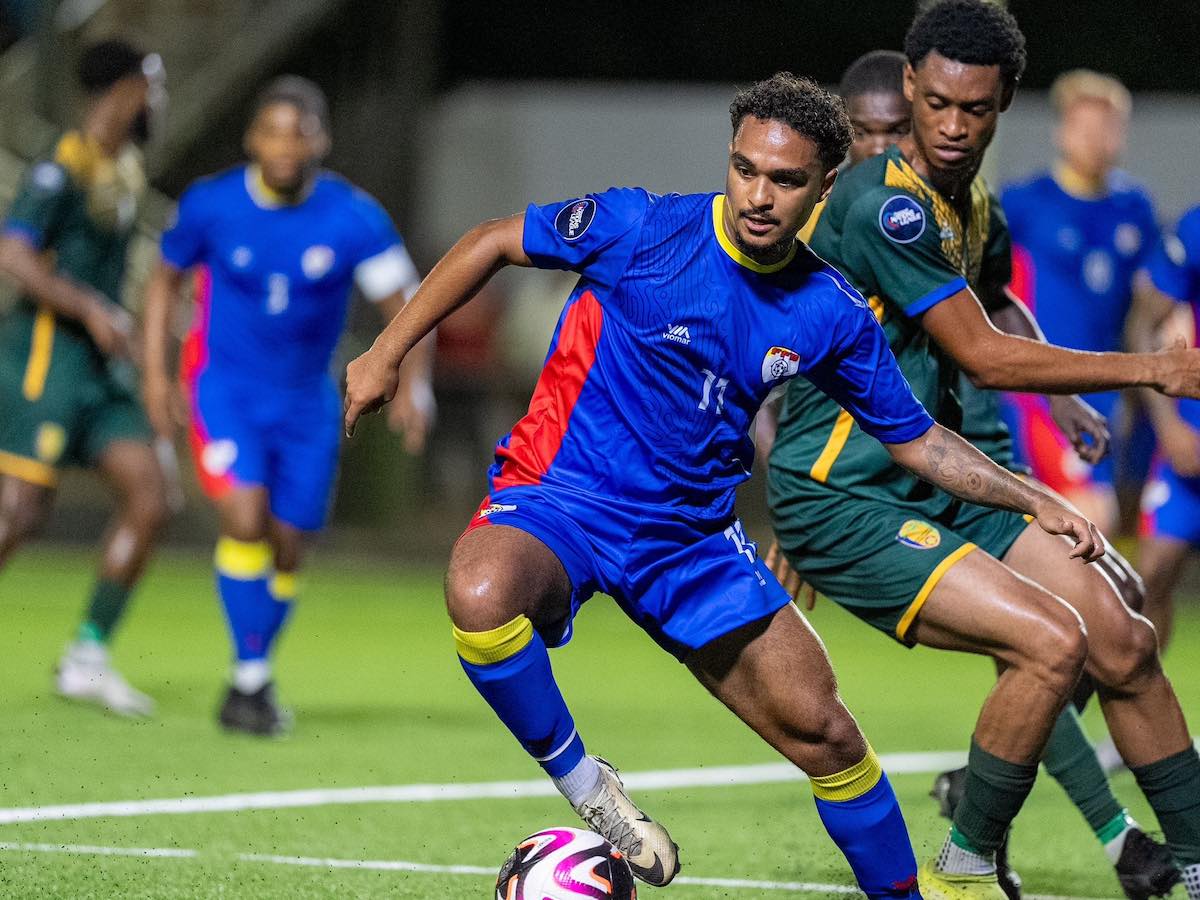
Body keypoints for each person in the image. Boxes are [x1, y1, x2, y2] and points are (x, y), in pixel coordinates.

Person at [345, 71, 1109, 897]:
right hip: (564, 497)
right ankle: (589, 790)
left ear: (823, 186)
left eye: (785, 180)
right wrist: (387, 353)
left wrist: (1033, 496)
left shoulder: (830, 309)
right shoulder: (641, 227)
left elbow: (919, 443)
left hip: (691, 541)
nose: (759, 194)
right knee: (479, 589)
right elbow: (493, 240)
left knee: (827, 733)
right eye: (745, 168)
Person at [765, 2, 1200, 897]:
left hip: (940, 470)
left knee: (1124, 638)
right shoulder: (884, 207)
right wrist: (1151, 369)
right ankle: (966, 868)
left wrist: (1075, 395)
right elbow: (984, 354)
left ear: (1004, 102)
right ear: (913, 87)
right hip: (846, 494)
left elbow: (996, 301)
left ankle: (1195, 864)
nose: (955, 127)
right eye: (939, 106)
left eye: (978, 109)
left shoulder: (971, 201)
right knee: (1050, 643)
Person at [141, 76, 433, 736]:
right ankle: (247, 681)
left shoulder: (351, 216)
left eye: (298, 133)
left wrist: (415, 386)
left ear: (321, 141)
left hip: (307, 403)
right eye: (271, 132)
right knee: (244, 517)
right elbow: (163, 280)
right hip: (225, 390)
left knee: (288, 544)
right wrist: (157, 376)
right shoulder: (212, 206)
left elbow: (411, 305)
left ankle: (255, 676)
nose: (284, 146)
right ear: (251, 140)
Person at [0, 39, 168, 717]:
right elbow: (14, 254)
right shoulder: (61, 165)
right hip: (47, 357)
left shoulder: (121, 165)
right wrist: (90, 308)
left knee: (150, 494)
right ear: (127, 88)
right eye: (153, 82)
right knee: (17, 513)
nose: (158, 96)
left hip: (102, 370)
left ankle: (87, 657)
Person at [1001, 70, 1160, 535]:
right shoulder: (1025, 204)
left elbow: (1152, 299)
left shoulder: (1134, 207)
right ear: (1061, 132)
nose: (1095, 139)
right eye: (1084, 127)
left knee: (1094, 532)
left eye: (1107, 127)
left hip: (1107, 392)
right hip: (1042, 391)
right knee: (1094, 517)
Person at [1127, 206, 1200, 662]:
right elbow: (1141, 326)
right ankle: (1144, 719)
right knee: (1148, 576)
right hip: (1190, 441)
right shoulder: (1193, 229)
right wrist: (1169, 424)